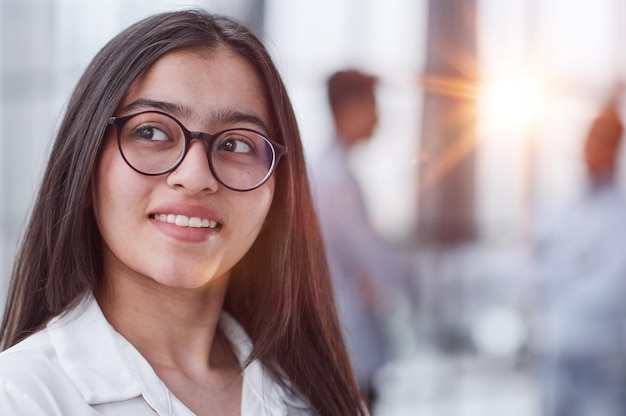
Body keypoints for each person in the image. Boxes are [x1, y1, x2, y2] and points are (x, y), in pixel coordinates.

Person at [0, 10, 367, 415]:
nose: (195, 177)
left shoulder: (316, 399)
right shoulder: (21, 397)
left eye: (237, 145)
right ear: (85, 163)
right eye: (151, 132)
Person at [310, 70, 410, 406]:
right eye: (373, 105)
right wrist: (408, 281)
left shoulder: (330, 172)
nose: (378, 116)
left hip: (344, 336)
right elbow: (370, 256)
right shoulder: (334, 180)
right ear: (348, 108)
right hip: (346, 340)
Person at [531, 91, 626, 416]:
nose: (594, 150)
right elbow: (532, 270)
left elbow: (613, 286)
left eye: (605, 142)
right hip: (556, 354)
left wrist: (566, 274)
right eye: (591, 140)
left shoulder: (620, 213)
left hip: (604, 361)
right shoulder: (560, 207)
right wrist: (577, 268)